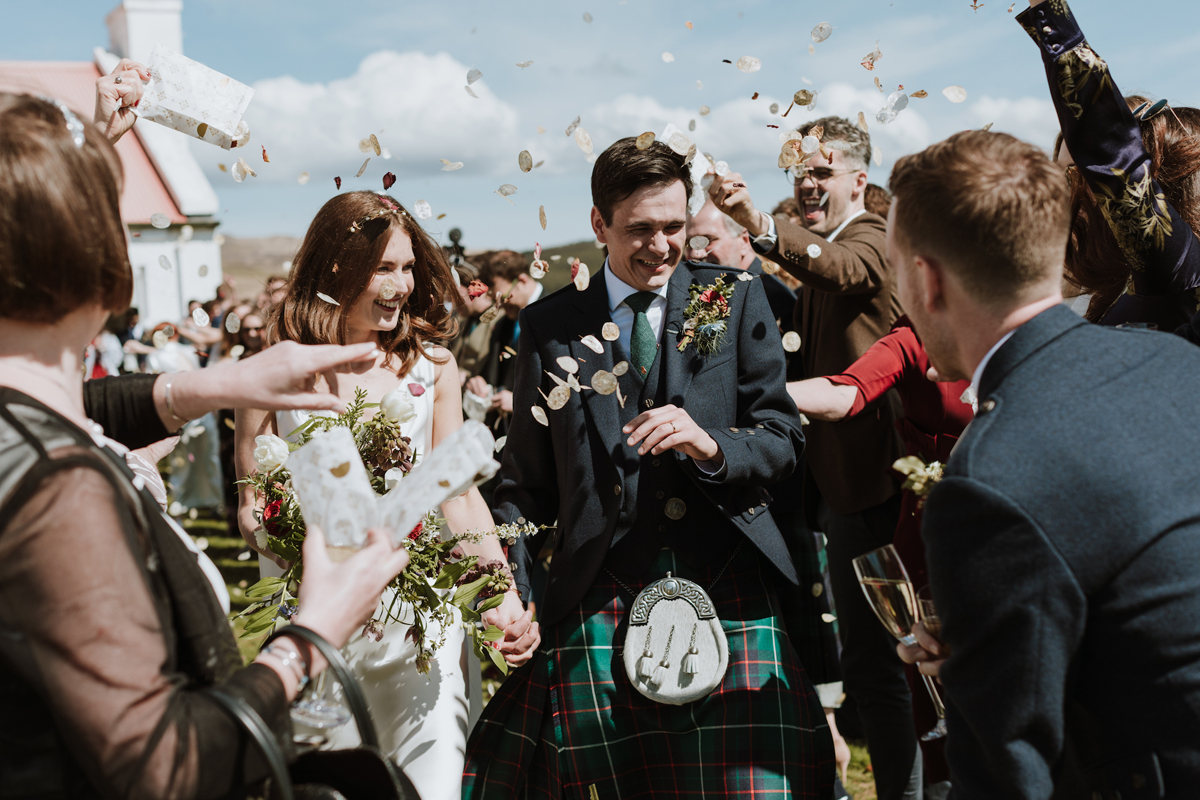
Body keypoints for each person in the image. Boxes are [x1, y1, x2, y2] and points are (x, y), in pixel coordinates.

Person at [0, 88, 413, 800]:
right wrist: (311, 634)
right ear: (105, 264)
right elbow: (164, 768)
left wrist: (214, 386)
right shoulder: (60, 486)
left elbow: (78, 406)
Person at [464, 136, 833, 798]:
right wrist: (510, 589)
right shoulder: (551, 326)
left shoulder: (727, 298)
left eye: (674, 227)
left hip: (728, 580)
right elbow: (525, 484)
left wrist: (714, 444)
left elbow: (782, 439)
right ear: (599, 224)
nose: (662, 246)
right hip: (599, 587)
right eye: (640, 229)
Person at [891, 128, 1200, 798]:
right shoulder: (1177, 361)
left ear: (928, 280)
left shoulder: (989, 477)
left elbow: (1008, 768)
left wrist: (979, 677)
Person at [236, 190, 536, 800]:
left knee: (433, 787)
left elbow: (457, 496)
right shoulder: (274, 370)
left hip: (423, 629)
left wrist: (501, 592)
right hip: (318, 627)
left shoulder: (433, 367)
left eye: (408, 267)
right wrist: (299, 536)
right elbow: (250, 508)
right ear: (336, 270)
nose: (401, 285)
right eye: (383, 268)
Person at [711, 116, 914, 799]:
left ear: (860, 177)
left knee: (888, 666)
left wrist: (752, 220)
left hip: (881, 490)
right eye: (798, 172)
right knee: (872, 662)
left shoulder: (872, 240)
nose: (807, 183)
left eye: (822, 171)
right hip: (836, 488)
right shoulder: (827, 244)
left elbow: (840, 271)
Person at [787, 316, 974, 791]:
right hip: (931, 530)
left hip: (1016, 521)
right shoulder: (915, 335)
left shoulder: (1023, 323)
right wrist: (756, 394)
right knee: (930, 667)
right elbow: (847, 392)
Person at [1020, 0, 1200, 333]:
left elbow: (1108, 148)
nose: (1066, 192)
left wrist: (1048, 13)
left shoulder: (1180, 270)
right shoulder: (1116, 279)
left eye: (1079, 175)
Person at [465, 249, 542, 428]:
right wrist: (479, 382)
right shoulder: (503, 324)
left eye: (503, 297)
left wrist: (520, 403)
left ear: (521, 280)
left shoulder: (557, 315)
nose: (498, 305)